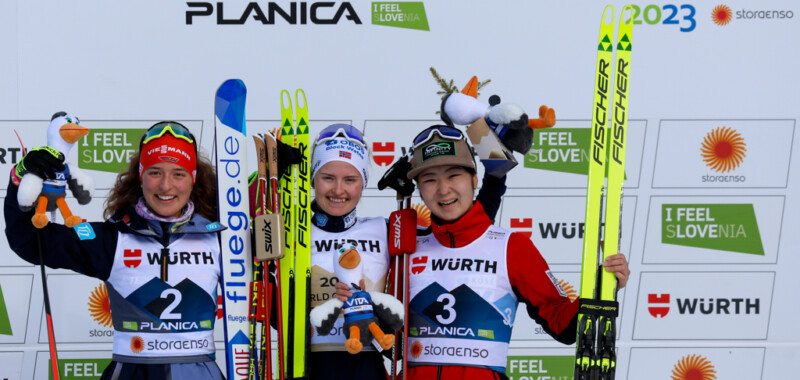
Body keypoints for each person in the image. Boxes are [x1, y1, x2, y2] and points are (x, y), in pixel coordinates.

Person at [401, 125, 630, 380]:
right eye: (430, 179)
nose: (443, 190)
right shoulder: (406, 249)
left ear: (475, 180)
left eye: (454, 175)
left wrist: (600, 287)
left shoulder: (510, 247)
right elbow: (389, 340)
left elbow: (561, 324)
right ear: (419, 189)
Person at [5, 121, 226, 379]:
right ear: (140, 176)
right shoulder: (112, 238)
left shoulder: (220, 240)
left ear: (193, 179)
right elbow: (30, 241)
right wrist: (20, 178)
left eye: (179, 173)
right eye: (155, 172)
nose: (166, 186)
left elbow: (270, 301)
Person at [308, 124, 508, 380]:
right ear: (313, 178)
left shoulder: (387, 228)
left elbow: (464, 231)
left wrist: (494, 165)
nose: (338, 190)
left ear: (362, 183)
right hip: (306, 366)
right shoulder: (294, 233)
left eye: (350, 180)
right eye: (327, 178)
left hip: (367, 369)